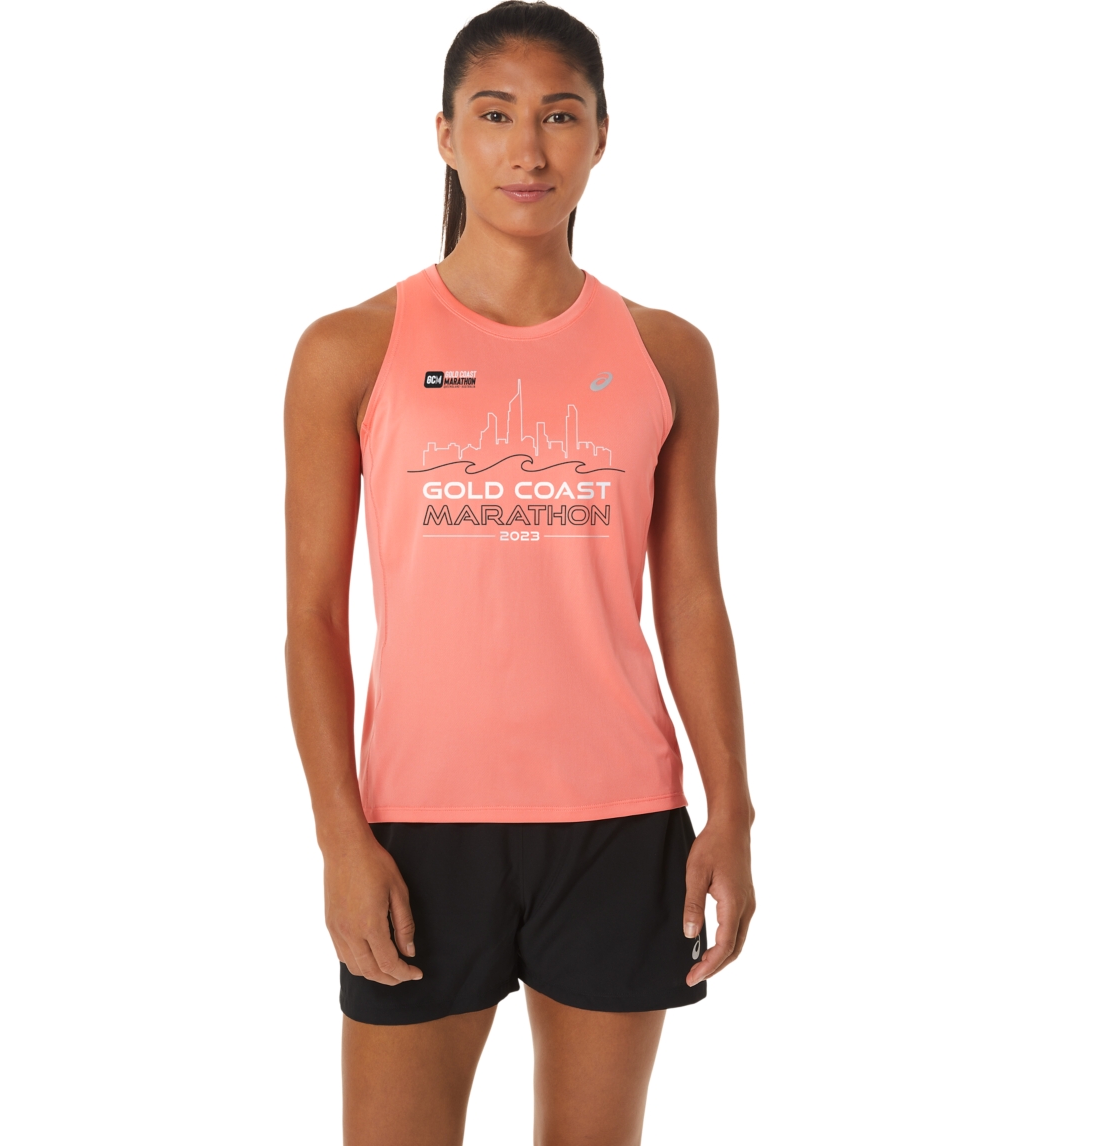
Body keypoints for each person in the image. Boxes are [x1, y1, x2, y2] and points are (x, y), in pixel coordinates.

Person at [284, 4, 754, 1143]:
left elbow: (692, 598)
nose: (528, 149)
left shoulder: (667, 352)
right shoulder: (350, 348)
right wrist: (341, 837)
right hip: (418, 826)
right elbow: (311, 620)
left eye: (560, 115)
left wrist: (731, 808)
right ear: (445, 135)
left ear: (602, 136)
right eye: (495, 116)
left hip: (619, 819)